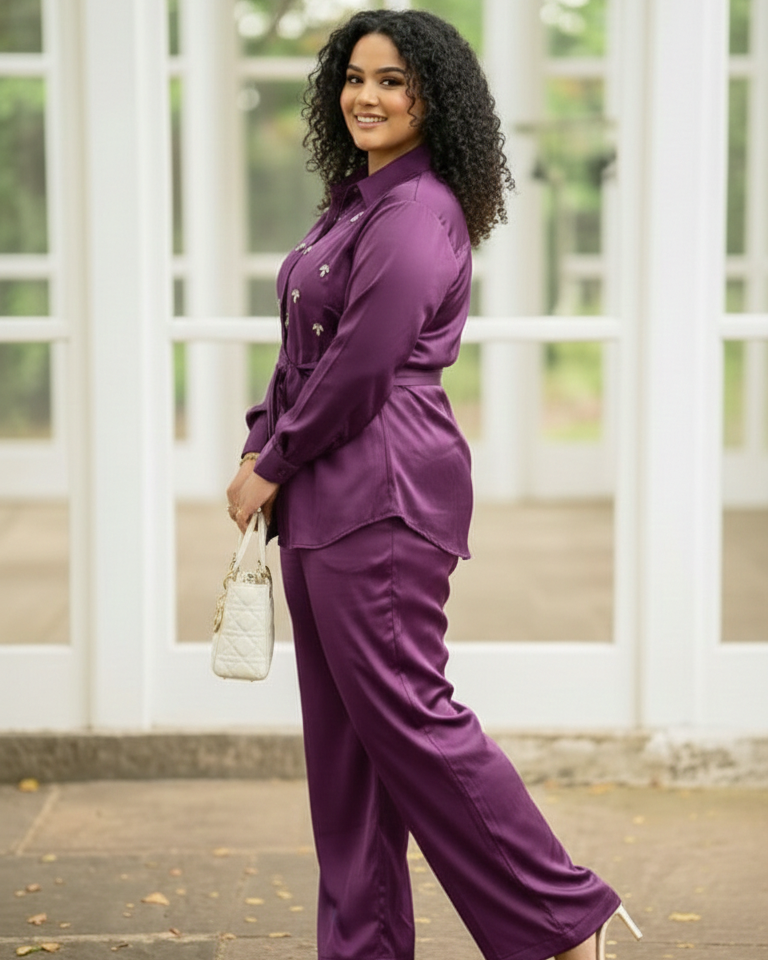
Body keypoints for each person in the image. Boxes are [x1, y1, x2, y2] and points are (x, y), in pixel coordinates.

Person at [226, 10, 642, 960]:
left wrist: (272, 465)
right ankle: (364, 947)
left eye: (394, 83)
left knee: (411, 720)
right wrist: (261, 441)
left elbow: (365, 365)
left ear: (432, 100)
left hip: (381, 489)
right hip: (326, 488)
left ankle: (561, 920)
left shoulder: (418, 212)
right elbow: (308, 349)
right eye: (356, 78)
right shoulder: (356, 199)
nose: (367, 97)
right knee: (349, 750)